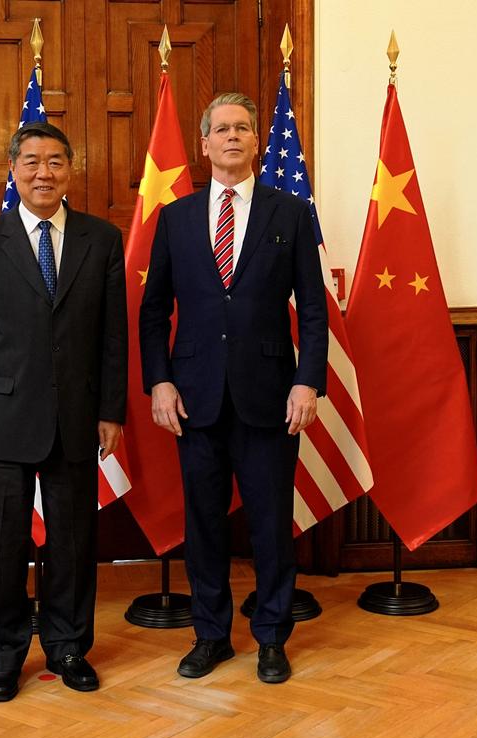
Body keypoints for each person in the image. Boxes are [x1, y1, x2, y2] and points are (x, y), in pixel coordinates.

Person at [139, 93, 328, 684]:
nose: (231, 137)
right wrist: (160, 381)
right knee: (204, 525)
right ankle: (211, 636)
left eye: (242, 128)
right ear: (204, 144)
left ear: (257, 142)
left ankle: (271, 637)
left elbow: (314, 310)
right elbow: (153, 312)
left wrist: (307, 382)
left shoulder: (289, 213)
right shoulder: (175, 218)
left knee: (271, 524)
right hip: (193, 397)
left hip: (270, 395)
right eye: (221, 129)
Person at [0, 122, 127, 702]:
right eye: (31, 162)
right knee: (2, 543)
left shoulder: (102, 240)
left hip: (78, 415)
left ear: (70, 170)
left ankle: (69, 646)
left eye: (55, 161)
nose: (43, 173)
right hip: (2, 419)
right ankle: (3, 657)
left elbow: (113, 336)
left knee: (73, 541)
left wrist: (111, 410)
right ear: (13, 170)